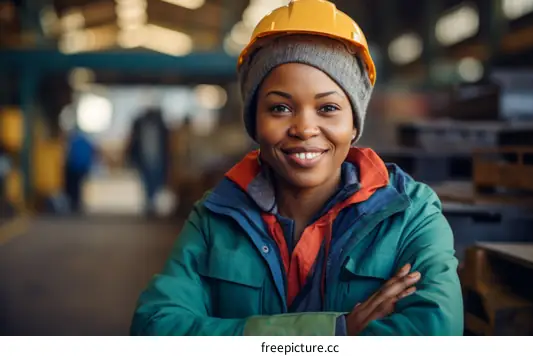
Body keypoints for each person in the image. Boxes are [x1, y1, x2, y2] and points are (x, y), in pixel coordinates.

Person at [130, 0, 463, 336]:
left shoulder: (409, 215)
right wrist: (335, 331)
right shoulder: (215, 218)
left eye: (328, 107)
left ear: (353, 124)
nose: (304, 129)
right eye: (280, 108)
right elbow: (156, 328)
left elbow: (433, 334)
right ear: (255, 123)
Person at [126, 106, 170, 216]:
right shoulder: (140, 126)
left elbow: (166, 145)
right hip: (144, 158)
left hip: (158, 159)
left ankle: (151, 202)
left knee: (156, 181)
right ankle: (149, 203)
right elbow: (133, 143)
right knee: (146, 181)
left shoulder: (161, 127)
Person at [64, 124, 95, 213]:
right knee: (79, 186)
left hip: (73, 167)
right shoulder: (86, 141)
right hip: (82, 168)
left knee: (73, 186)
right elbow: (91, 154)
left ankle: (73, 203)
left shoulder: (72, 141)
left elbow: (68, 154)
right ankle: (77, 203)